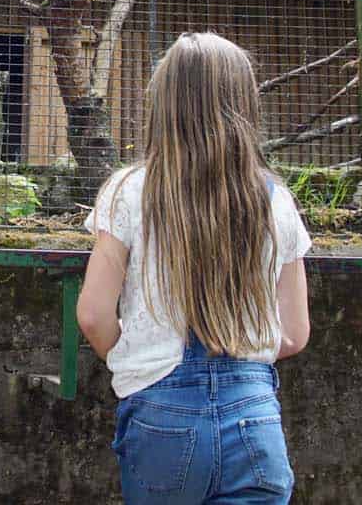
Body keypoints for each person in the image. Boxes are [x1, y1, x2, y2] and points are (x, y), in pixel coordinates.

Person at [76, 32, 311, 505]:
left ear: (163, 103)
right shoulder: (275, 199)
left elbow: (94, 315)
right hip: (254, 413)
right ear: (245, 103)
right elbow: (293, 334)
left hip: (161, 412)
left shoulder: (128, 190)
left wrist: (137, 360)